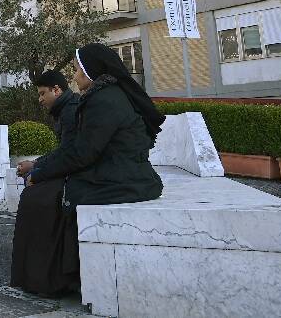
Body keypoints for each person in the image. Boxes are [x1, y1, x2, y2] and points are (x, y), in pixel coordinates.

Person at [10, 44, 165, 297]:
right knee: (45, 195)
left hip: (123, 178)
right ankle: (55, 275)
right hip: (118, 172)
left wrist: (38, 173)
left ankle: (57, 280)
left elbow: (82, 153)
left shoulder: (104, 100)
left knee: (43, 198)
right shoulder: (104, 96)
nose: (75, 76)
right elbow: (83, 151)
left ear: (91, 70)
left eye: (78, 70)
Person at [16, 69, 79, 179]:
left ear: (56, 90)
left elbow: (66, 152)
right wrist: (35, 162)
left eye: (42, 93)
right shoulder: (66, 108)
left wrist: (34, 166)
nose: (40, 99)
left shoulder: (70, 111)